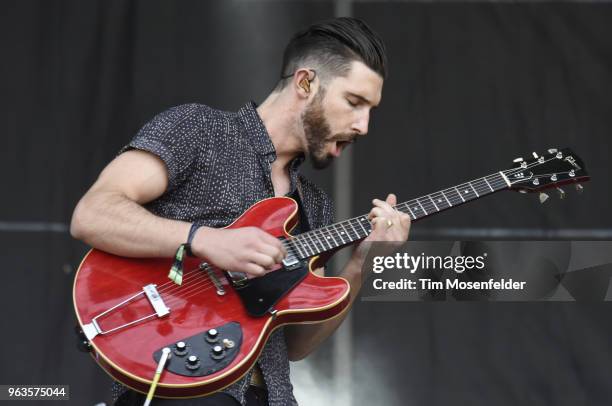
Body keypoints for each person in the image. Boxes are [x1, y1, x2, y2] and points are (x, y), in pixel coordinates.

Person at [70, 17, 411, 406]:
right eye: (354, 102)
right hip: (178, 383)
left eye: (371, 110)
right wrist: (205, 240)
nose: (364, 125)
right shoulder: (199, 130)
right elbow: (92, 213)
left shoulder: (314, 204)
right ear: (305, 83)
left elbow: (296, 344)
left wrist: (363, 263)